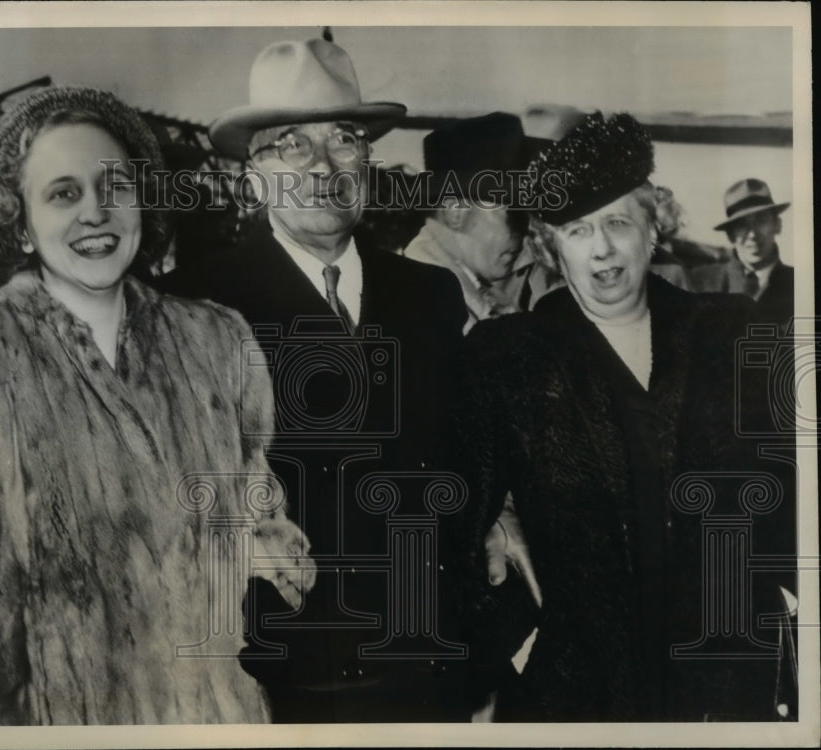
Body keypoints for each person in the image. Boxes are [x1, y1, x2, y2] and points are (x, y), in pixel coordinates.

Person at [0, 86, 314, 725]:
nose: (96, 213)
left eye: (115, 187)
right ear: (17, 219)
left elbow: (258, 510)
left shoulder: (214, 340)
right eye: (63, 193)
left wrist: (260, 546)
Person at [156, 38, 473, 722]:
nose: (326, 166)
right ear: (253, 173)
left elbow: (463, 466)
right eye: (294, 145)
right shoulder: (193, 308)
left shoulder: (432, 296)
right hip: (277, 686)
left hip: (426, 675)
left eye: (346, 140)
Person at [451, 112, 793, 721]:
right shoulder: (510, 359)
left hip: (724, 680)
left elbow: (789, 490)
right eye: (577, 231)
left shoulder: (732, 331)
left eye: (617, 222)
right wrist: (518, 643)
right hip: (581, 689)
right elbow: (453, 524)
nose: (602, 248)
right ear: (550, 246)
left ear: (653, 227)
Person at [403, 112, 563, 331]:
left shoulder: (463, 286)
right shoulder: (425, 303)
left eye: (526, 213)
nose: (522, 230)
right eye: (511, 212)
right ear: (456, 213)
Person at [692, 178, 794, 327]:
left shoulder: (800, 284)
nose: (752, 234)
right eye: (742, 225)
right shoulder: (701, 282)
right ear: (730, 235)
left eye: (761, 220)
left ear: (777, 225)